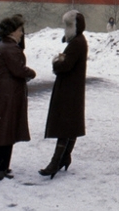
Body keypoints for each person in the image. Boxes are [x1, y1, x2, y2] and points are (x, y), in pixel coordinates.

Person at [0, 16, 36, 180]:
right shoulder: (10, 48)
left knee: (0, 127)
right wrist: (31, 73)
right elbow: (18, 70)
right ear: (12, 31)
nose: (21, 34)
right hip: (9, 92)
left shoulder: (4, 45)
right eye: (20, 30)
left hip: (4, 90)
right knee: (5, 128)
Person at [39, 11, 88, 178]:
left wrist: (56, 62)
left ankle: (57, 161)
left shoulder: (77, 43)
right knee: (71, 124)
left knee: (65, 125)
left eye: (68, 25)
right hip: (73, 88)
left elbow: (65, 65)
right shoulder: (78, 41)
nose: (65, 29)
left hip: (69, 88)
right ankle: (64, 157)